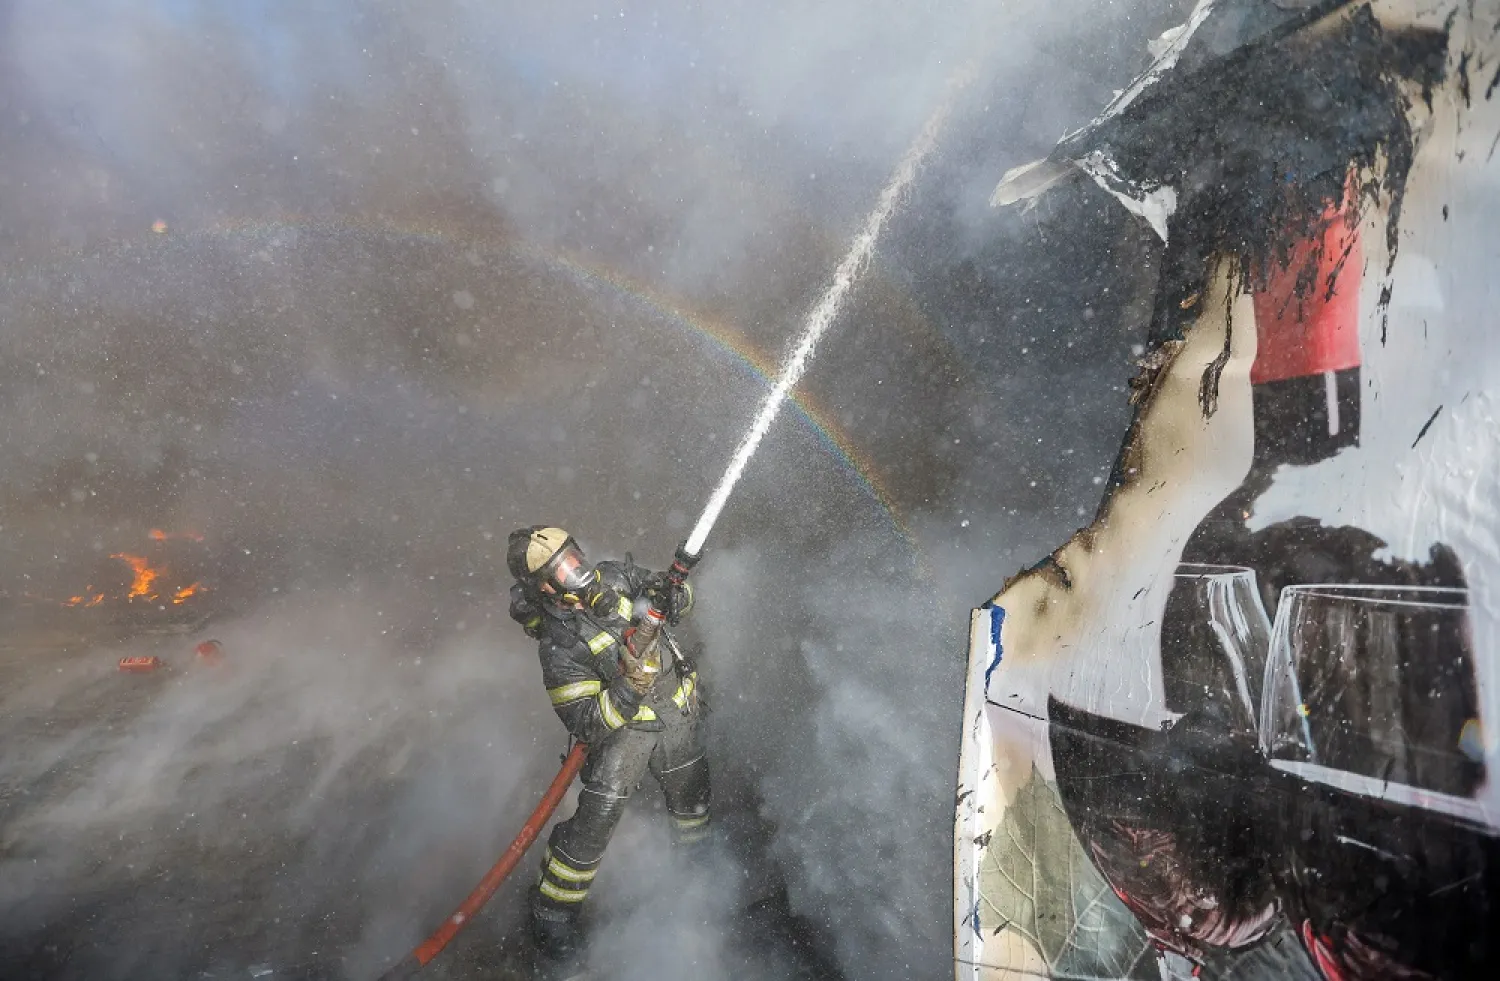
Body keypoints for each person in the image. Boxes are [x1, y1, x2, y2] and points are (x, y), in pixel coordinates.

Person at [506, 526, 710, 976]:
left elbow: (676, 592)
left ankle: (698, 878)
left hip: (677, 715)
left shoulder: (614, 577)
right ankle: (551, 916)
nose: (578, 569)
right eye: (563, 567)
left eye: (574, 556)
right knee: (593, 829)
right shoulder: (559, 647)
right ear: (545, 586)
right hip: (625, 737)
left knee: (692, 801)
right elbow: (586, 723)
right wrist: (627, 687)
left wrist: (675, 596)